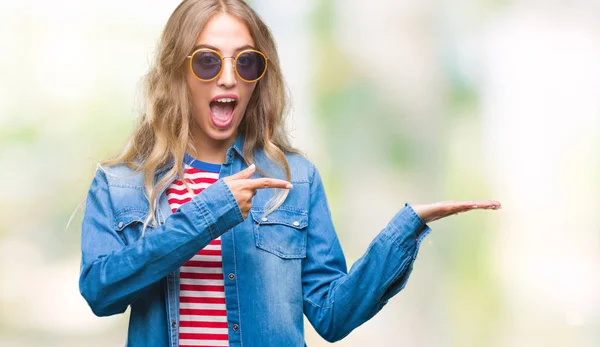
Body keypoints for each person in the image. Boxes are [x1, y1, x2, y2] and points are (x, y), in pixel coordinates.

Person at [78, 1, 501, 346]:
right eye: (207, 62)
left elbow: (333, 316)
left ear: (259, 79)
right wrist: (212, 210)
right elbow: (101, 293)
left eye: (245, 63)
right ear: (177, 71)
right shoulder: (121, 184)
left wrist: (404, 231)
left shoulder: (295, 179)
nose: (228, 78)